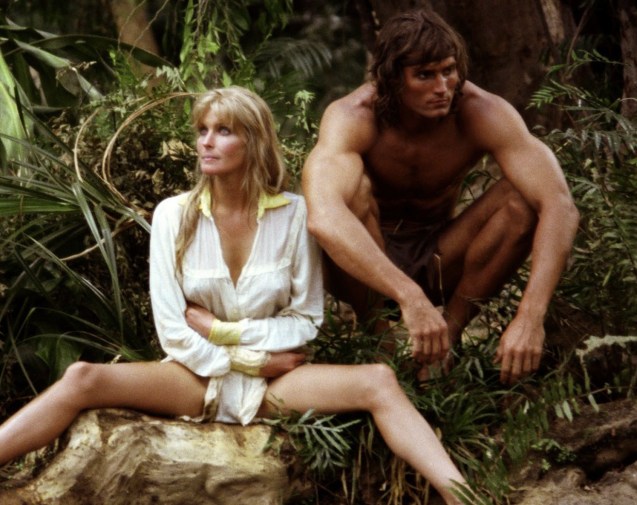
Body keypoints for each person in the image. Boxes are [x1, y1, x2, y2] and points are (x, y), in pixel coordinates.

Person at [0, 86, 467, 505]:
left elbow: (305, 320)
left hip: (277, 387)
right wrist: (250, 360)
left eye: (223, 131)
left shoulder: (295, 215)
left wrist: (222, 330)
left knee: (379, 381)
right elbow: (173, 331)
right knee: (83, 377)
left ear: (254, 141)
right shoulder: (172, 216)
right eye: (202, 130)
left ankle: (462, 496)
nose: (206, 141)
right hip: (193, 378)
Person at [302, 9, 580, 384]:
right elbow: (324, 218)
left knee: (521, 199)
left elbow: (560, 206)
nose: (442, 87)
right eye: (424, 75)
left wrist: (530, 317)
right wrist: (409, 297)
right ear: (392, 78)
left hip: (438, 257)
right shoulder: (353, 117)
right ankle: (379, 338)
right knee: (352, 193)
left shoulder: (481, 111)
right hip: (364, 264)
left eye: (448, 71)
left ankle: (448, 337)